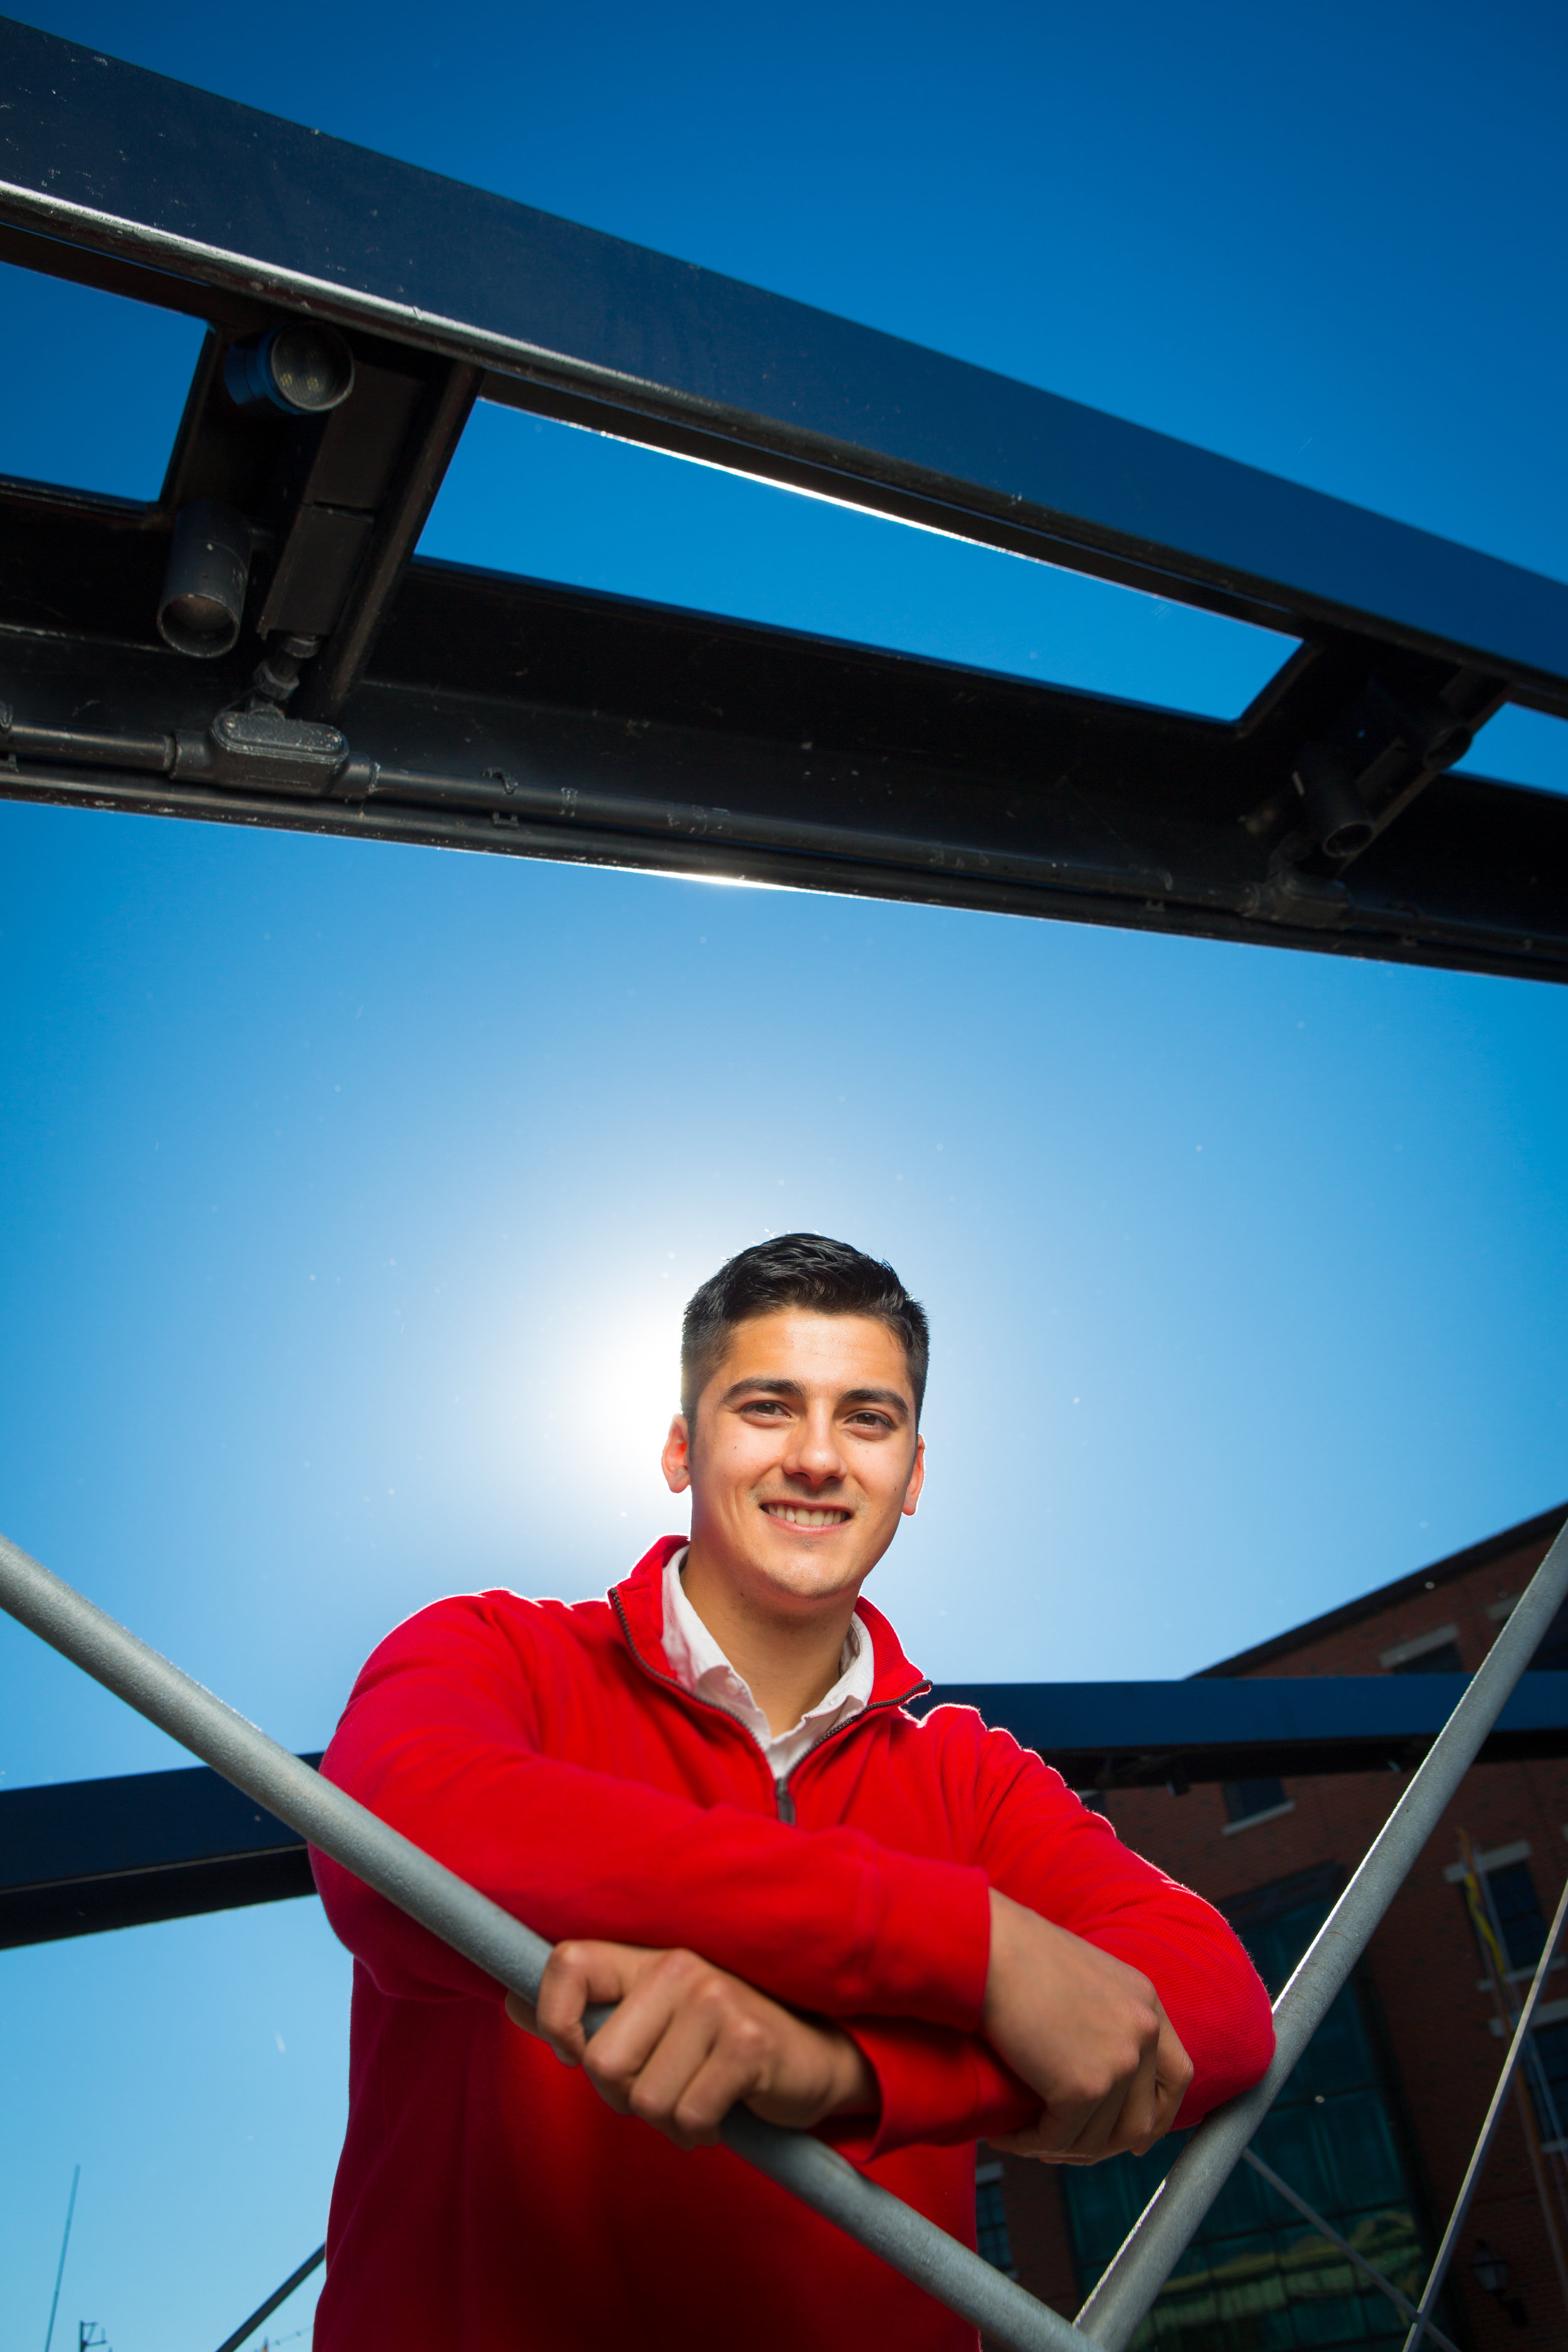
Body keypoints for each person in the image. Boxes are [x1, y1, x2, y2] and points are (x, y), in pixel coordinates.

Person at [310, 1234, 1273, 2351]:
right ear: (681, 1447)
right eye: (768, 1406)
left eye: (867, 1418)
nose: (818, 1457)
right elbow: (393, 1843)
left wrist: (838, 2070)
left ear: (913, 1476)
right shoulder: (494, 1653)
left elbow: (1219, 2009)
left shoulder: (970, 1777)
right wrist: (973, 1948)